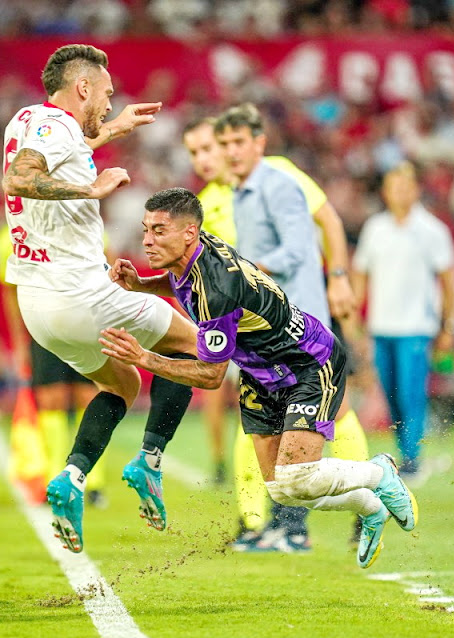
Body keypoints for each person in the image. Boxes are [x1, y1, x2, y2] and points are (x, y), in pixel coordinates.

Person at [99, 187, 419, 569]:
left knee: (298, 474)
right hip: (260, 372)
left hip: (307, 363)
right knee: (283, 489)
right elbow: (185, 285)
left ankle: (379, 471)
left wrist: (142, 358)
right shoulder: (195, 253)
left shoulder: (218, 287)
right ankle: (371, 508)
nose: (147, 240)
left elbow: (211, 375)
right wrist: (143, 284)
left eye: (159, 230)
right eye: (146, 229)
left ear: (188, 233)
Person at [1, 44, 199, 553]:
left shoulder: (28, 119)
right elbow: (19, 179)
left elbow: (69, 145)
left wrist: (116, 130)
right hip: (80, 294)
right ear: (82, 88)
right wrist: (91, 190)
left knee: (125, 383)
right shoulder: (58, 129)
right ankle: (150, 462)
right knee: (194, 346)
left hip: (39, 307)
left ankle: (70, 476)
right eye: (107, 95)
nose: (110, 103)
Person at [200, 104, 369, 550]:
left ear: (259, 143)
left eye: (238, 142)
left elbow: (298, 248)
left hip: (301, 328)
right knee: (275, 427)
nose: (230, 152)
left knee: (300, 427)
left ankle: (331, 512)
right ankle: (281, 525)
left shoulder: (279, 183)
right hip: (273, 329)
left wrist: (248, 272)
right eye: (224, 145)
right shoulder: (241, 191)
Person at [352, 162, 454, 481]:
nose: (400, 193)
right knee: (391, 392)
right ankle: (405, 451)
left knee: (412, 393)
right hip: (382, 326)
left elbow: (447, 282)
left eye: (406, 186)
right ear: (385, 192)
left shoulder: (432, 230)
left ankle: (412, 456)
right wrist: (355, 313)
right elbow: (361, 271)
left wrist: (446, 327)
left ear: (416, 190)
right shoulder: (375, 228)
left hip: (416, 327)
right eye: (394, 187)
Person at [0, 226, 108, 507]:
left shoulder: (82, 223)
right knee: (51, 400)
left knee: (89, 398)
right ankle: (56, 476)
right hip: (42, 326)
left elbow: (110, 271)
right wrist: (20, 343)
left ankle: (92, 480)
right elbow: (11, 291)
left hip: (86, 324)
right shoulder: (11, 235)